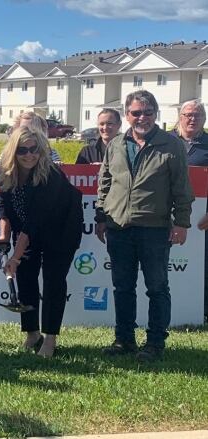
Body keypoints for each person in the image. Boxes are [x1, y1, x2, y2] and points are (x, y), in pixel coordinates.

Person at [96, 90, 194, 362]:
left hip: (154, 228)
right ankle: (124, 339)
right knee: (122, 287)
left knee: (157, 287)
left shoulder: (170, 145)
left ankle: (155, 343)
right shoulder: (116, 143)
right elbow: (105, 182)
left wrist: (182, 223)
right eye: (136, 112)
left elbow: (182, 188)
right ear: (127, 115)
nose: (142, 117)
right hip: (119, 227)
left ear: (156, 114)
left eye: (148, 112)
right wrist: (101, 217)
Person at [0, 126, 83, 358]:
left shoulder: (50, 174)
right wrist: (4, 236)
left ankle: (50, 338)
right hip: (28, 229)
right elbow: (5, 209)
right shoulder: (5, 173)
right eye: (22, 150)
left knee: (53, 280)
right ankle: (32, 333)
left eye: (34, 149)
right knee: (25, 276)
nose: (29, 155)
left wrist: (14, 257)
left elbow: (35, 222)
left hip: (61, 230)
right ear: (13, 151)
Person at [169, 100, 208, 317]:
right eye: (188, 115)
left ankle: (200, 311)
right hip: (165, 216)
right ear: (180, 116)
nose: (193, 119)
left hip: (203, 218)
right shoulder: (165, 141)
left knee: (201, 266)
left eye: (198, 115)